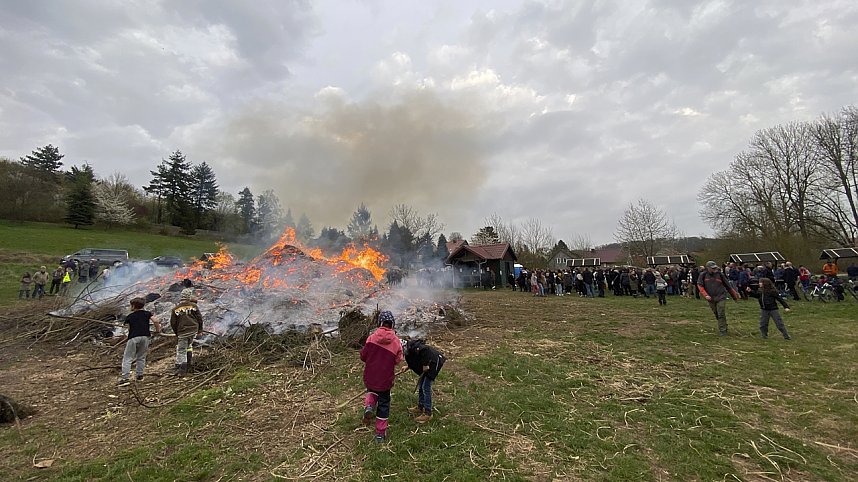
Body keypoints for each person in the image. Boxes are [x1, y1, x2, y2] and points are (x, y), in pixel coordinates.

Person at [360, 311, 404, 443]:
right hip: (385, 379)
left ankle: (369, 406)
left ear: (379, 323)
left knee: (371, 391)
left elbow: (363, 356)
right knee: (384, 405)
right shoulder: (396, 341)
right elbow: (398, 359)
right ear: (392, 324)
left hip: (371, 375)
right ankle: (380, 434)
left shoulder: (372, 338)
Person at [118, 297, 162, 386]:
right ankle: (139, 375)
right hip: (145, 337)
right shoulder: (147, 313)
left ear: (134, 306)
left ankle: (125, 378)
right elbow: (156, 321)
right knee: (141, 357)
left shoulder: (130, 316)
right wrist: (158, 330)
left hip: (134, 337)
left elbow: (128, 328)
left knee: (128, 358)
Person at [404, 338, 445, 424]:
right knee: (421, 385)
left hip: (433, 363)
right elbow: (414, 358)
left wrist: (425, 365)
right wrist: (408, 366)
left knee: (425, 387)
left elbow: (425, 350)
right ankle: (420, 406)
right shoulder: (408, 350)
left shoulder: (415, 347)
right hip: (427, 364)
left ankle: (428, 413)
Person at [697, 260, 740, 336]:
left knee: (721, 313)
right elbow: (700, 285)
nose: (714, 269)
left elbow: (728, 286)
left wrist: (734, 296)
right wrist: (705, 295)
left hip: (721, 297)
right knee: (716, 313)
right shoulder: (703, 275)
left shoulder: (720, 275)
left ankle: (723, 331)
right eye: (712, 268)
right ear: (708, 268)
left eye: (715, 268)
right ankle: (723, 324)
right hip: (711, 298)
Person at [169, 288, 203, 376]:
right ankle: (189, 363)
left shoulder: (175, 309)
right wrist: (199, 330)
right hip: (193, 330)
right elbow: (199, 318)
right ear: (189, 297)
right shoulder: (194, 306)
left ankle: (182, 370)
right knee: (189, 346)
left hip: (183, 332)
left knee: (181, 350)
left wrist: (177, 333)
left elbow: (173, 323)